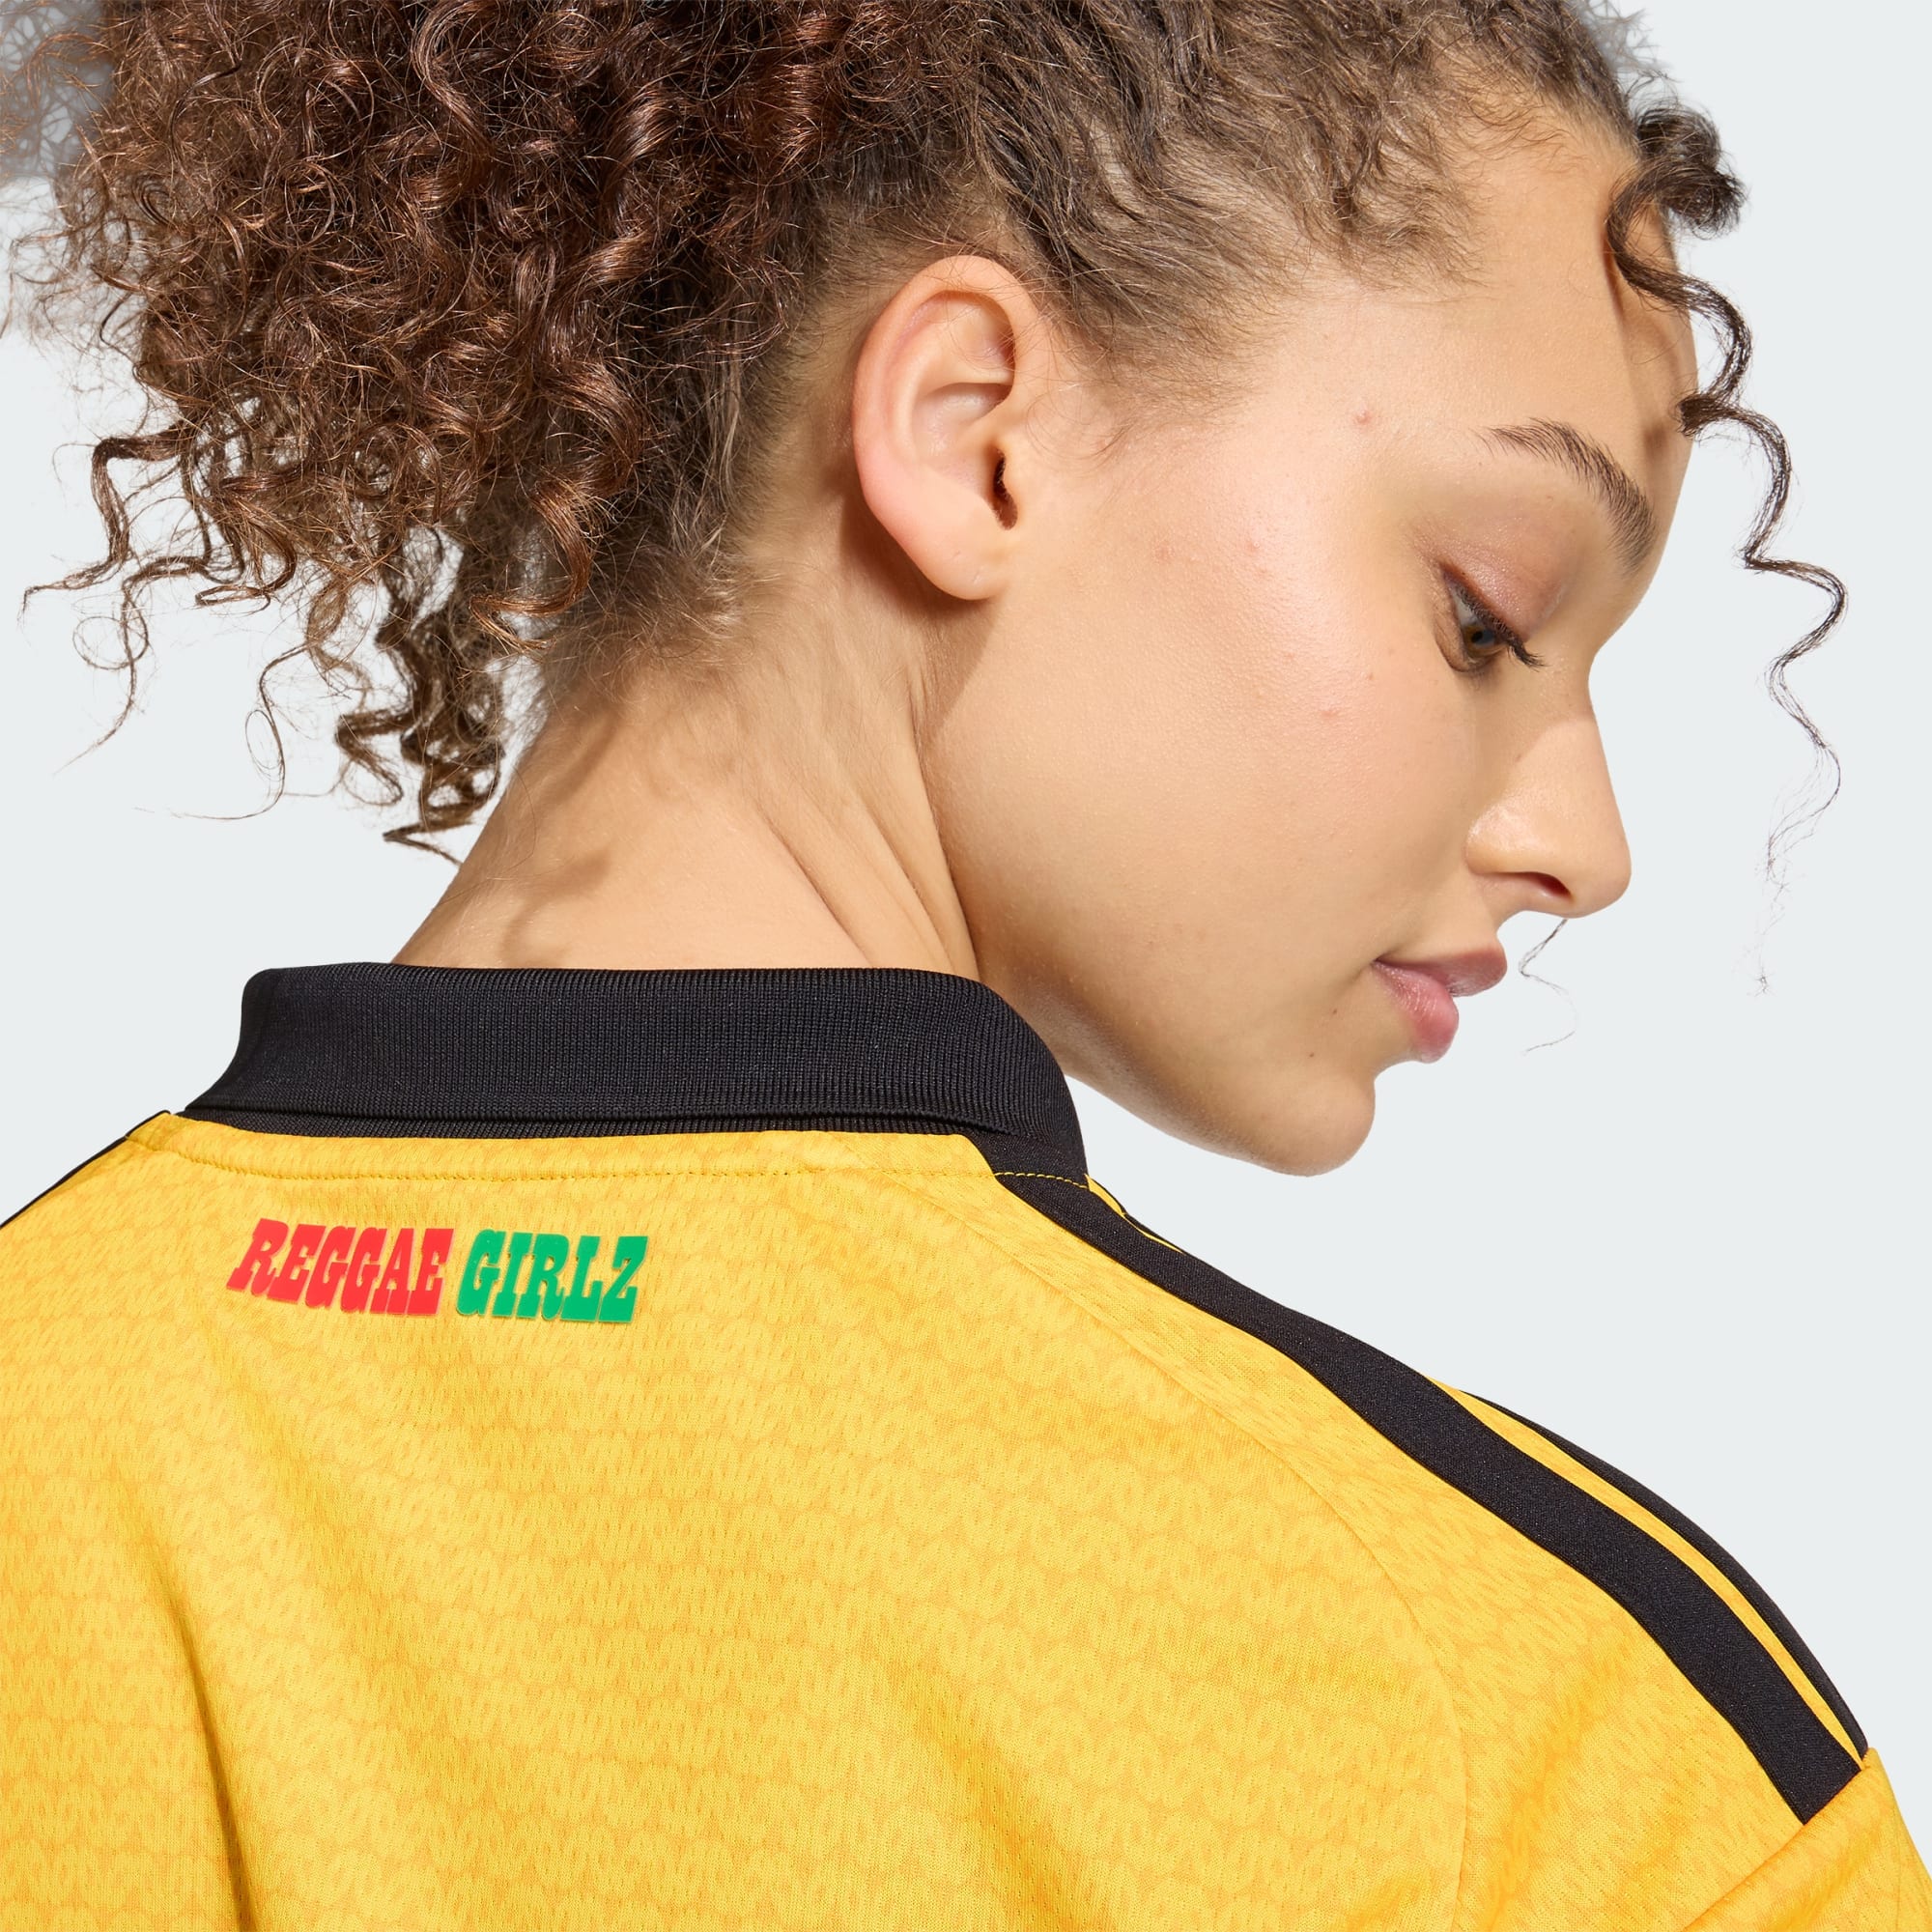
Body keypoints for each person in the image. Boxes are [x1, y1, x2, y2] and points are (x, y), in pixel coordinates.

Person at [2, 0, 1925, 1924]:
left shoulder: (50, 1389)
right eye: (1484, 617)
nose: (1587, 845)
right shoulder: (1539, 1733)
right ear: (976, 436)